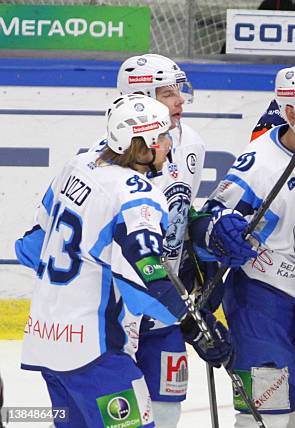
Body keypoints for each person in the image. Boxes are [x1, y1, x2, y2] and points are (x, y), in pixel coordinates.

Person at [188, 62, 295, 428]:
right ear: (292, 113)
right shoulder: (259, 164)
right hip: (263, 300)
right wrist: (217, 232)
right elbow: (205, 222)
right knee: (265, 415)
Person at [14, 94, 188, 427]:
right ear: (144, 144)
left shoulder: (77, 166)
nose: (169, 144)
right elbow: (145, 280)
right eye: (163, 137)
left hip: (45, 341)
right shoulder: (135, 195)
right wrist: (197, 324)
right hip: (96, 352)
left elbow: (32, 245)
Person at [90, 53, 230, 428]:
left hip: (167, 305)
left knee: (167, 411)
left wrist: (203, 260)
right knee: (120, 418)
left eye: (180, 90)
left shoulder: (192, 144)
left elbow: (182, 214)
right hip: (118, 310)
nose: (181, 100)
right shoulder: (100, 162)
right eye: (169, 93)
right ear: (141, 99)